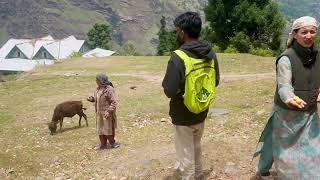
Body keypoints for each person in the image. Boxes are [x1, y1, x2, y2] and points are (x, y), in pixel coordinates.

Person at [253, 16, 320, 179]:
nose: (309, 36)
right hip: (286, 114)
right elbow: (284, 86)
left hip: (309, 112)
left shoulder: (318, 56)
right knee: (285, 151)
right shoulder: (286, 59)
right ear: (295, 34)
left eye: (312, 32)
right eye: (304, 32)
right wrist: (289, 97)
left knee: (313, 148)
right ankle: (266, 171)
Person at [162, 12, 220, 179]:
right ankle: (199, 174)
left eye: (176, 31)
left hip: (183, 114)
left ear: (182, 32)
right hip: (202, 109)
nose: (176, 34)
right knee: (196, 146)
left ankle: (189, 176)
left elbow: (169, 91)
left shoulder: (178, 57)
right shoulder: (210, 52)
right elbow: (215, 81)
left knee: (185, 152)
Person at [87, 73, 119, 150]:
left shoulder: (109, 89)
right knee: (100, 129)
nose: (96, 81)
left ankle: (113, 143)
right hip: (99, 113)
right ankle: (103, 144)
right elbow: (97, 99)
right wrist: (92, 99)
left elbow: (113, 102)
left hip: (106, 113)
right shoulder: (97, 89)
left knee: (108, 129)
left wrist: (108, 111)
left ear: (101, 80)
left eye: (97, 80)